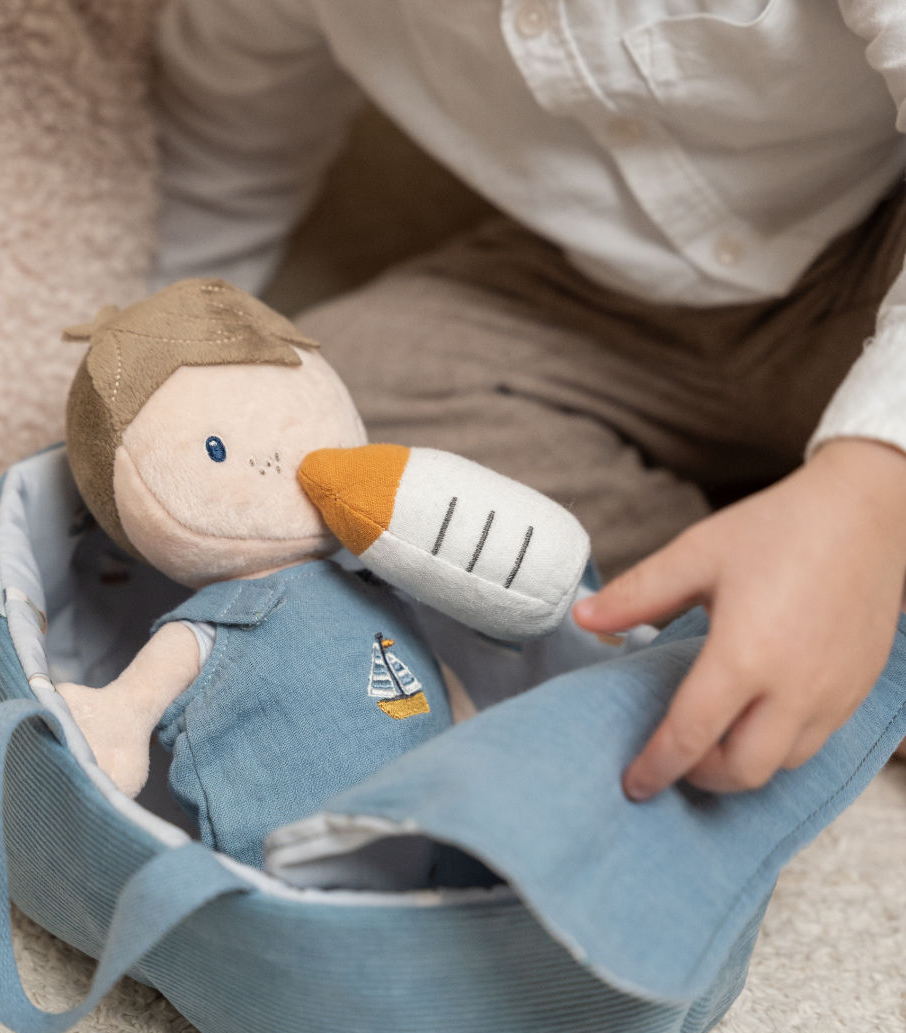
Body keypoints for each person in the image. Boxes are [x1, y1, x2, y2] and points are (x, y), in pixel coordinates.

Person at [151, 0, 906, 801]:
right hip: (594, 299)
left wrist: (867, 490)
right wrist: (151, 407)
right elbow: (218, 162)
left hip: (873, 243)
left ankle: (846, 583)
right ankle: (749, 615)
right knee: (329, 432)